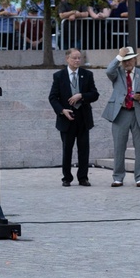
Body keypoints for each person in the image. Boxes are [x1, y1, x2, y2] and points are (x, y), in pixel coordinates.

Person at [102, 47, 140, 187]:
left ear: (135, 59)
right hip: (121, 113)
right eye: (124, 60)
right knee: (119, 147)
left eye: (129, 59)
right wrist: (119, 56)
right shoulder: (117, 73)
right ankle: (118, 177)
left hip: (138, 113)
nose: (127, 63)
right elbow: (108, 70)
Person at [48, 49, 100, 187]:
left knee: (83, 149)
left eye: (79, 58)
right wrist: (62, 111)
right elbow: (53, 97)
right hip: (67, 118)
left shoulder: (87, 75)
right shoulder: (59, 76)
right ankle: (67, 177)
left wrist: (81, 95)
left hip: (83, 118)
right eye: (74, 58)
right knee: (67, 149)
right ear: (67, 59)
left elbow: (94, 94)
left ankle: (83, 177)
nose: (77, 60)